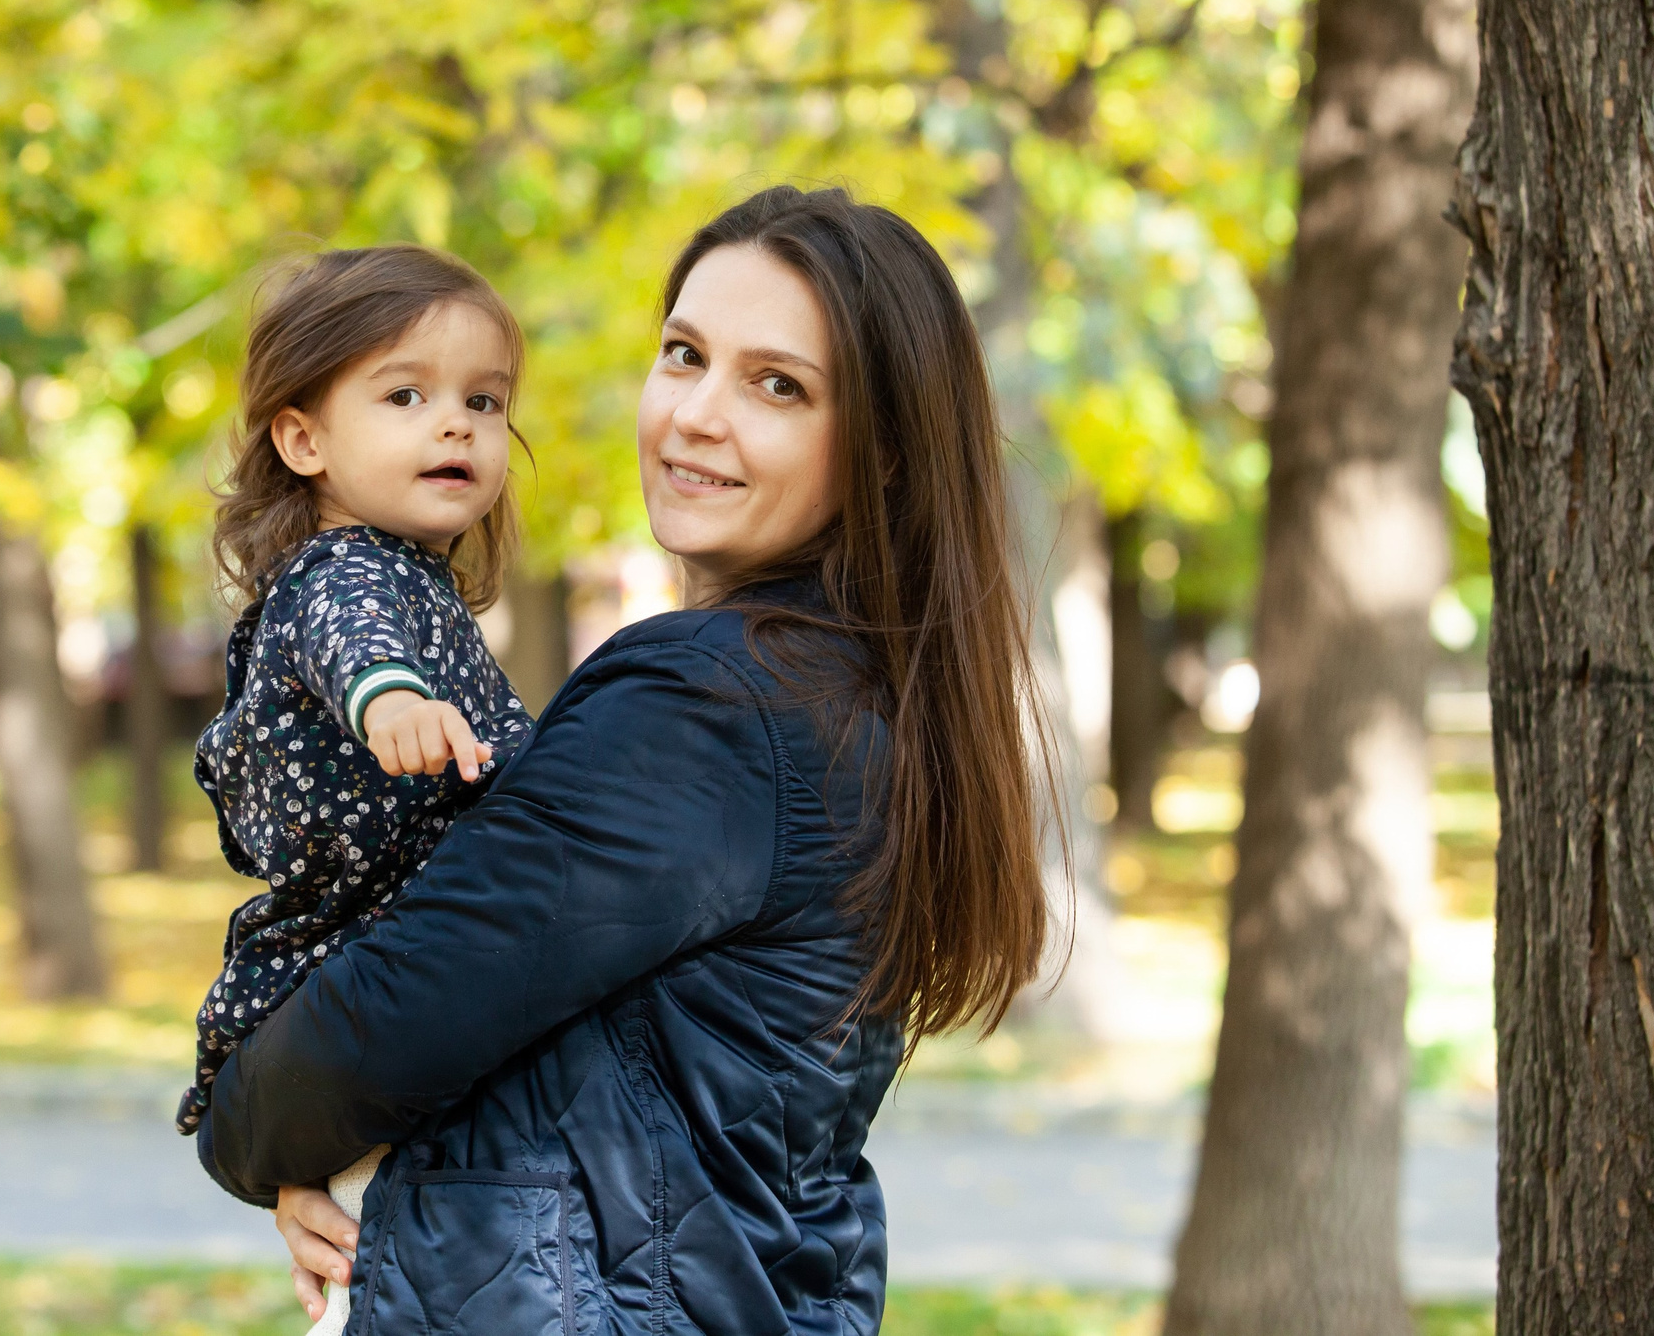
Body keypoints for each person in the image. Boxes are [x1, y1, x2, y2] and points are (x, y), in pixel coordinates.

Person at [198, 186, 1055, 1334]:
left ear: (886, 454)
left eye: (777, 385)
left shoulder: (709, 703)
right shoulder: (852, 691)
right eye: (684, 354)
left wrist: (244, 1131)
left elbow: (395, 1015)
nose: (696, 414)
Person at [179, 246, 540, 1333]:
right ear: (303, 439)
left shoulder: (417, 585)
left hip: (388, 996)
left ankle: (315, 1193)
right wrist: (389, 703)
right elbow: (355, 646)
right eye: (406, 394)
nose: (456, 425)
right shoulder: (342, 575)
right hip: (340, 961)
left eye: (484, 401)